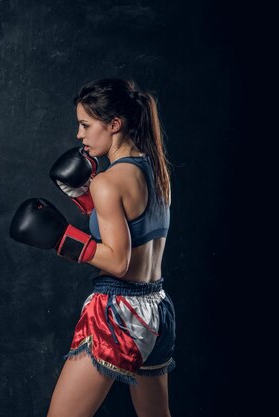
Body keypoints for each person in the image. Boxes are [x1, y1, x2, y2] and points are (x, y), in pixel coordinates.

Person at [10, 78, 175, 417]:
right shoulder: (156, 171)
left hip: (118, 311)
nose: (79, 135)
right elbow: (135, 229)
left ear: (114, 125)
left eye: (85, 125)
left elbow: (118, 260)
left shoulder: (107, 181)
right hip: (157, 309)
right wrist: (88, 201)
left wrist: (62, 239)